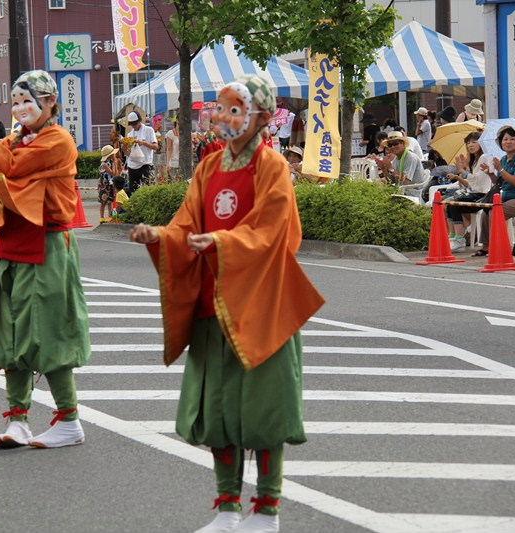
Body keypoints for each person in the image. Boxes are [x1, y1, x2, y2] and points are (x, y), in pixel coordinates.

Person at [130, 75, 324, 533]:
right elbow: (186, 223)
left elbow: (273, 230)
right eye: (220, 108)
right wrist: (161, 235)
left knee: (264, 410)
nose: (223, 117)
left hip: (262, 302)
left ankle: (267, 509)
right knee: (218, 409)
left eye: (234, 109)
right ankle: (227, 508)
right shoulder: (208, 166)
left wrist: (222, 241)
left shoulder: (272, 166)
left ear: (261, 117)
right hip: (213, 302)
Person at [0, 70, 90, 449]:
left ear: (51, 102)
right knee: (12, 334)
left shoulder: (58, 140)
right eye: (15, 102)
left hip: (47, 245)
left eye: (28, 100)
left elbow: (10, 166)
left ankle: (69, 420)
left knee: (48, 334)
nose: (20, 108)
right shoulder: (15, 139)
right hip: (13, 244)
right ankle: (18, 420)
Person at [474, 127, 515, 257]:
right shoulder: (503, 159)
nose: (508, 142)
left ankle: (499, 246)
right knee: (486, 211)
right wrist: (490, 174)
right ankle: (486, 246)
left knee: (496, 211)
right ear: (501, 142)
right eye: (505, 139)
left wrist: (501, 169)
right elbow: (500, 182)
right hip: (506, 196)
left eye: (512, 139)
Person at [444, 132, 494, 250]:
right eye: (468, 142)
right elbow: (472, 184)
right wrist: (463, 172)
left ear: (482, 143)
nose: (470, 145)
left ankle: (459, 239)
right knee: (449, 203)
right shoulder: (476, 160)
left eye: (474, 142)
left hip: (483, 195)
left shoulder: (484, 157)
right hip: (476, 193)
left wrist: (463, 171)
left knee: (453, 204)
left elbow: (478, 181)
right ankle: (454, 236)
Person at [125, 111, 158, 193]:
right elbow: (128, 154)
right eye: (132, 124)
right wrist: (124, 148)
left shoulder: (149, 130)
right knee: (133, 191)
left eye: (135, 124)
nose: (134, 126)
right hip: (132, 165)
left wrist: (143, 143)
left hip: (145, 164)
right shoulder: (129, 135)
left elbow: (155, 147)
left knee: (148, 190)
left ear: (139, 121)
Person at [98, 144, 119, 221]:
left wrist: (114, 163)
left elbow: (116, 173)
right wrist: (115, 163)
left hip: (109, 184)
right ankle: (102, 217)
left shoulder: (110, 162)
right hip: (104, 185)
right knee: (103, 202)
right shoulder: (104, 164)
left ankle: (110, 216)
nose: (114, 155)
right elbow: (112, 173)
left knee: (110, 201)